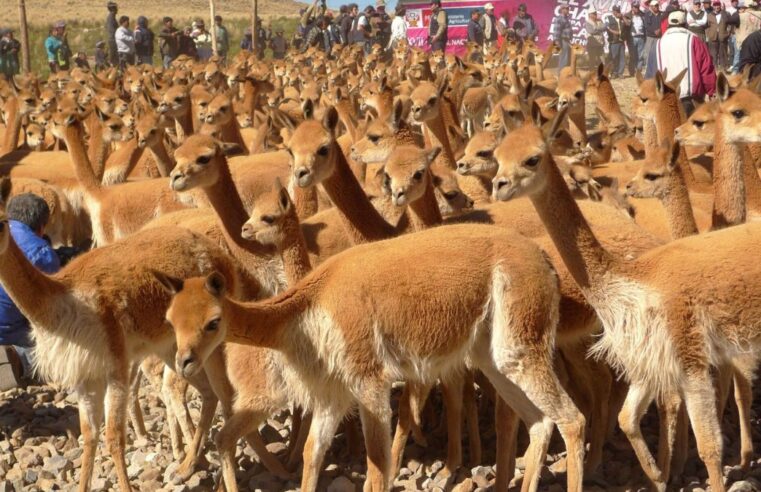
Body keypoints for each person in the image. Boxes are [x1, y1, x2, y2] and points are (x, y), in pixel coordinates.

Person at [0, 194, 61, 391]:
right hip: (8, 333)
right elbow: (50, 310)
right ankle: (18, 359)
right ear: (42, 227)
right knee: (62, 351)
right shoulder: (42, 254)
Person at [647, 10, 716, 116]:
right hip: (690, 99)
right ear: (685, 24)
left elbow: (650, 75)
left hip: (664, 99)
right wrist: (712, 91)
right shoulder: (694, 41)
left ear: (669, 25)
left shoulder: (657, 44)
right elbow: (706, 68)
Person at [707, 0, 731, 72]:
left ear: (720, 5)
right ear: (713, 6)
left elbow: (730, 24)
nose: (716, 7)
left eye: (718, 5)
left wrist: (728, 33)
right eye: (715, 5)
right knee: (713, 54)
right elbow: (707, 26)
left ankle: (724, 69)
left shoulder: (726, 14)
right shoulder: (709, 15)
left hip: (723, 36)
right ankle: (714, 69)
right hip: (713, 37)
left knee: (723, 53)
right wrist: (709, 34)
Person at [643, 0, 664, 70]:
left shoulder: (662, 14)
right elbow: (646, 26)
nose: (657, 7)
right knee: (648, 53)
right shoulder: (647, 14)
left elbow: (664, 24)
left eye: (657, 5)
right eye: (655, 6)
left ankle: (659, 68)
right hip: (650, 37)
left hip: (660, 37)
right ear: (651, 6)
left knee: (659, 52)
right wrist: (654, 31)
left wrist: (660, 30)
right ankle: (647, 68)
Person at [552, 3, 573, 72]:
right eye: (566, 8)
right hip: (562, 41)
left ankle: (564, 74)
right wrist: (556, 42)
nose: (567, 10)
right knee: (563, 58)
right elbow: (556, 31)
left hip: (566, 40)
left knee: (566, 58)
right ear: (561, 9)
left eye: (568, 8)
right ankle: (561, 75)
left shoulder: (566, 18)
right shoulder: (559, 18)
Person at [607, 6, 626, 78]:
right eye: (616, 11)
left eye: (619, 11)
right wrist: (615, 32)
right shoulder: (609, 18)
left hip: (621, 41)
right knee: (614, 58)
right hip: (614, 41)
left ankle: (620, 73)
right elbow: (607, 28)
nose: (618, 13)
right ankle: (614, 72)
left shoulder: (622, 19)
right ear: (613, 11)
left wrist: (622, 17)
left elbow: (627, 24)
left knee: (622, 58)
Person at [628, 2, 646, 71]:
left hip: (641, 37)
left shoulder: (642, 15)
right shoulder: (628, 15)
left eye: (637, 7)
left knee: (640, 55)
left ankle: (639, 69)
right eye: (635, 7)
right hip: (632, 38)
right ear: (632, 7)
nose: (636, 9)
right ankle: (632, 70)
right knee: (633, 55)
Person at [106, 1, 119, 66]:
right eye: (116, 8)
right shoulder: (111, 17)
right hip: (113, 40)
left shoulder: (112, 17)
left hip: (113, 39)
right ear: (113, 9)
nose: (117, 9)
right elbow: (112, 31)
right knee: (114, 59)